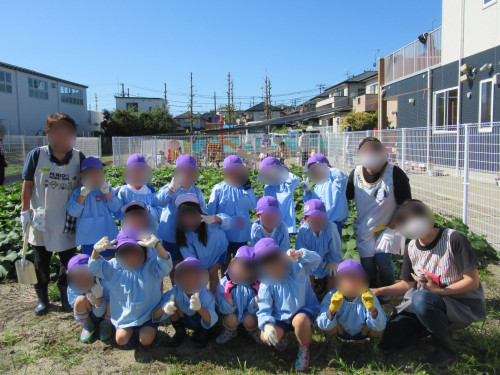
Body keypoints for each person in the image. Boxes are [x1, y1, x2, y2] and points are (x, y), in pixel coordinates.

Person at [372, 200, 486, 368]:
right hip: (424, 303)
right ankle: (431, 325)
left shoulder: (453, 239)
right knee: (389, 338)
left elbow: (472, 281)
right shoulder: (411, 247)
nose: (412, 225)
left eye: (415, 219)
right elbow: (407, 285)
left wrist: (440, 291)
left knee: (422, 299)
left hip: (456, 301)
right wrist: (380, 290)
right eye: (406, 222)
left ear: (426, 216)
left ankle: (445, 349)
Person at [20, 113, 86, 315]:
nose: (62, 136)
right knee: (41, 263)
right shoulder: (37, 155)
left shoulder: (78, 157)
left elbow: (84, 187)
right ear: (49, 133)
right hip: (42, 219)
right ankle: (42, 299)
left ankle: (66, 294)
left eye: (68, 132)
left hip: (67, 220)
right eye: (56, 131)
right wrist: (24, 212)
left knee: (68, 263)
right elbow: (28, 185)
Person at [88, 231, 173, 349]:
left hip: (148, 314)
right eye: (125, 253)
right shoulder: (113, 268)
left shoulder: (150, 267)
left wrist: (158, 246)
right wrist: (95, 252)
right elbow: (95, 268)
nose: (130, 257)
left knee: (146, 340)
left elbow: (166, 265)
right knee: (121, 339)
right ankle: (132, 332)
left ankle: (151, 332)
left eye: (135, 252)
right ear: (119, 254)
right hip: (125, 315)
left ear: (144, 252)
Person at [346, 137, 411, 287]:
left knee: (383, 258)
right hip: (365, 227)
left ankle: (388, 288)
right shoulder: (355, 174)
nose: (372, 154)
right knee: (367, 264)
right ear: (360, 155)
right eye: (367, 151)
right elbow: (345, 197)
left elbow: (406, 205)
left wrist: (391, 229)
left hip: (390, 226)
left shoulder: (395, 174)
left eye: (376, 150)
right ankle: (373, 289)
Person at [255, 238, 320, 371]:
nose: (273, 265)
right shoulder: (266, 283)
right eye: (267, 263)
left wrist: (301, 254)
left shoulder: (298, 268)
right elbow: (264, 309)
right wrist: (267, 325)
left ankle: (304, 349)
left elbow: (316, 260)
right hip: (280, 317)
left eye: (275, 259)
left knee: (300, 321)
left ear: (282, 256)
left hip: (303, 310)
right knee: (264, 337)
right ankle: (282, 337)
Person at [316, 259, 386, 346]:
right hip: (340, 331)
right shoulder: (332, 296)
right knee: (327, 322)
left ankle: (374, 347)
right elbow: (322, 324)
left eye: (355, 278)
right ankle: (334, 346)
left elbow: (381, 324)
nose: (351, 283)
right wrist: (331, 310)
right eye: (346, 278)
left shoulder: (368, 296)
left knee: (379, 321)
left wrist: (372, 310)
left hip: (363, 332)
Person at [152, 257, 218, 348]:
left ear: (200, 277)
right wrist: (164, 308)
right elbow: (155, 316)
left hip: (201, 322)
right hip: (184, 318)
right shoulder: (175, 291)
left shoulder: (206, 294)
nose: (189, 278)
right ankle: (180, 331)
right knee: (171, 303)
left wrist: (200, 308)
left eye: (193, 275)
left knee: (206, 321)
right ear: (179, 276)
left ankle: (203, 333)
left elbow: (212, 320)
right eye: (185, 274)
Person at [155, 154, 206, 270]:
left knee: (186, 264)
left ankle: (185, 286)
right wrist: (171, 189)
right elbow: (159, 202)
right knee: (172, 264)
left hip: (188, 235)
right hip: (169, 233)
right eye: (184, 171)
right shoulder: (170, 187)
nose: (187, 174)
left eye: (191, 171)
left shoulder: (196, 191)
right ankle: (175, 286)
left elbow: (203, 211)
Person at [66, 157, 121, 258]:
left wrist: (107, 193)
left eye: (97, 173)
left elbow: (116, 207)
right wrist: (82, 195)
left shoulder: (106, 189)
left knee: (107, 265)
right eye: (90, 173)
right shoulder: (78, 192)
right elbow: (73, 212)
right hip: (87, 239)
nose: (94, 176)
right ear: (82, 175)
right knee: (91, 266)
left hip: (107, 235)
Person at [207, 155, 257, 265]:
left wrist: (249, 189)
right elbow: (211, 211)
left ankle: (240, 281)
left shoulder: (245, 188)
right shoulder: (218, 188)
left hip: (241, 233)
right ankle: (227, 281)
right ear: (224, 173)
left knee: (242, 261)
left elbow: (253, 205)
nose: (235, 174)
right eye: (231, 171)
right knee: (225, 261)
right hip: (223, 232)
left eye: (237, 171)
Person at [175, 193, 228, 294]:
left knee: (213, 274)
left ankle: (214, 302)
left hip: (218, 251)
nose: (189, 220)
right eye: (185, 216)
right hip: (200, 258)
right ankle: (201, 301)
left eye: (192, 214)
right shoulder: (184, 234)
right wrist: (198, 268)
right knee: (199, 277)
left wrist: (216, 218)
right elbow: (189, 255)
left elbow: (229, 223)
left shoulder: (209, 220)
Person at [216, 246, 261, 344]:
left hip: (248, 314)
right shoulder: (224, 283)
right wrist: (227, 294)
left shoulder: (256, 284)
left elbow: (253, 310)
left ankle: (253, 330)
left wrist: (258, 296)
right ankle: (230, 331)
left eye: (247, 269)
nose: (243, 272)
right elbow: (224, 309)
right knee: (231, 319)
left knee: (250, 320)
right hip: (231, 314)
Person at [295, 199, 342, 292]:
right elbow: (300, 251)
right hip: (309, 261)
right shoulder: (303, 231)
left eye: (320, 217)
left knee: (334, 274)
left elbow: (335, 248)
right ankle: (312, 302)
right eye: (313, 218)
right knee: (308, 277)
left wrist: (333, 261)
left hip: (327, 260)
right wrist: (308, 263)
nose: (317, 221)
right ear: (305, 219)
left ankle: (331, 300)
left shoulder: (331, 228)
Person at [66, 254, 112, 343]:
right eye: (77, 277)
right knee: (79, 300)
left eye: (84, 275)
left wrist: (99, 297)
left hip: (103, 313)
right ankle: (87, 325)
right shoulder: (73, 288)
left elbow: (99, 313)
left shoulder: (104, 285)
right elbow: (75, 307)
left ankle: (106, 324)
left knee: (113, 302)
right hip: (87, 314)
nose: (82, 279)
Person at [301, 154, 348, 236]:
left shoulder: (335, 181)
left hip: (333, 223)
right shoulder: (317, 186)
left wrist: (328, 169)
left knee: (333, 247)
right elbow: (311, 204)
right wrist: (307, 191)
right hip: (318, 223)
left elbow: (341, 177)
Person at [258, 156, 300, 233]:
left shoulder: (286, 185)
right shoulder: (268, 186)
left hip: (285, 222)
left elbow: (295, 179)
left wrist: (283, 170)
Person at [115, 153, 161, 222]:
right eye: (134, 172)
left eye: (140, 171)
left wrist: (148, 209)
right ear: (128, 173)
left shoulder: (150, 190)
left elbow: (158, 212)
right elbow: (117, 214)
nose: (137, 175)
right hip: (129, 230)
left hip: (148, 229)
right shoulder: (123, 191)